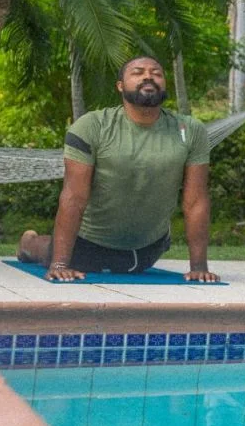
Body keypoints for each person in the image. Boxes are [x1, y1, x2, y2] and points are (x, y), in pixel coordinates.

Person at [17, 55, 219, 283]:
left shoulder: (190, 130)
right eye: (138, 72)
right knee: (48, 252)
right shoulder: (92, 126)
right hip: (86, 242)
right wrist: (60, 264)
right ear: (120, 86)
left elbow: (196, 201)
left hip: (145, 251)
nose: (148, 77)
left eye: (156, 73)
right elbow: (74, 196)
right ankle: (28, 243)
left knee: (128, 268)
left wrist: (199, 267)